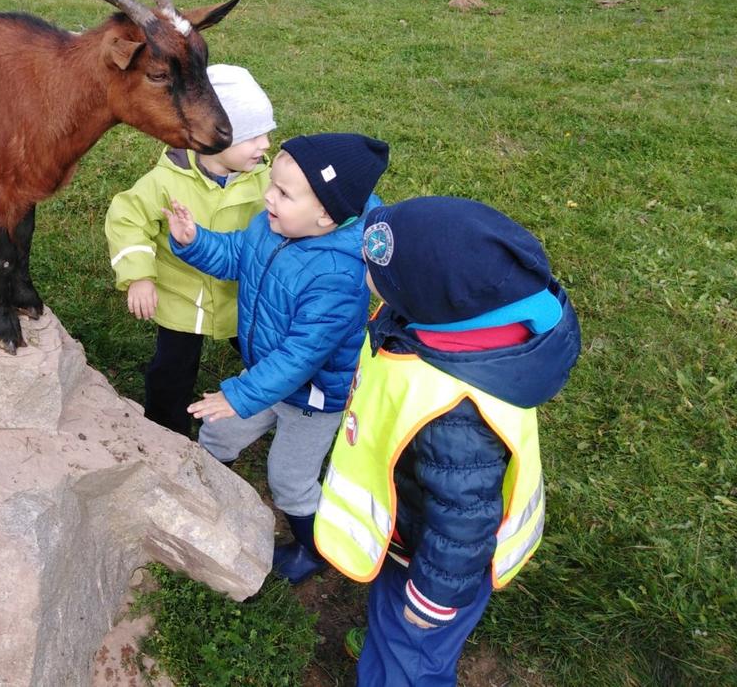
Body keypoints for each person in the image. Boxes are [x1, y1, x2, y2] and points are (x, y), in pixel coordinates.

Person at [315, 197, 581, 687]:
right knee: (395, 625)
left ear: (422, 295)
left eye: (376, 271)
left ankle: (397, 656)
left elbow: (462, 521)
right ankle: (387, 640)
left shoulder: (457, 417)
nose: (364, 271)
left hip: (437, 565)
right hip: (412, 538)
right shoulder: (446, 330)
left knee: (413, 663)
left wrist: (431, 601)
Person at [163, 132, 389, 584]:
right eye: (272, 184)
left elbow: (300, 357)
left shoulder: (338, 277)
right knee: (218, 434)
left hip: (313, 399)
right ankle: (210, 494)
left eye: (283, 193)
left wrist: (240, 395)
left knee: (289, 480)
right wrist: (193, 241)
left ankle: (313, 549)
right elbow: (237, 256)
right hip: (265, 372)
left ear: (325, 215)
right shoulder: (273, 224)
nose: (267, 195)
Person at [105, 64, 276, 437]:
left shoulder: (266, 178)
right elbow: (127, 219)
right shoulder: (166, 180)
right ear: (212, 137)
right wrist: (139, 276)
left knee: (265, 354)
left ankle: (279, 403)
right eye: (253, 136)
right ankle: (165, 431)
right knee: (173, 367)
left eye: (267, 134)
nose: (265, 145)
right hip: (182, 298)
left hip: (241, 295)